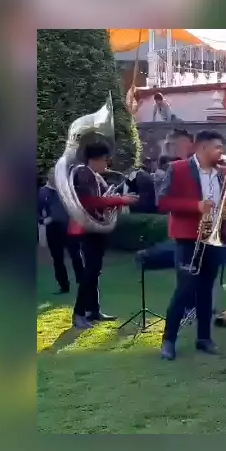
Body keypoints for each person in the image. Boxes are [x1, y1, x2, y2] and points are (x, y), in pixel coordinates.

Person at [156, 130, 226, 360]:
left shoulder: (222, 173)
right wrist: (196, 206)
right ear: (202, 148)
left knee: (206, 290)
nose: (221, 152)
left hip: (214, 237)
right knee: (184, 290)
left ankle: (204, 338)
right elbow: (163, 201)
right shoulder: (178, 168)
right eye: (217, 148)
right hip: (188, 238)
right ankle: (169, 341)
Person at [68, 141, 139, 329]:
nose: (107, 164)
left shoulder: (93, 175)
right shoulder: (84, 174)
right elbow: (89, 202)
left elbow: (102, 201)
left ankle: (93, 310)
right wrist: (120, 199)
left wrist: (115, 202)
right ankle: (79, 313)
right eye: (105, 160)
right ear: (96, 159)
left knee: (95, 272)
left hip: (96, 229)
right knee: (90, 272)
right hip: (88, 230)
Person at [39, 178, 84, 294]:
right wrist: (43, 220)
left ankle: (83, 281)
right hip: (53, 230)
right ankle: (64, 286)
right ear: (49, 177)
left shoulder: (66, 189)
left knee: (76, 255)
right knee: (58, 259)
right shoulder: (42, 192)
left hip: (69, 227)